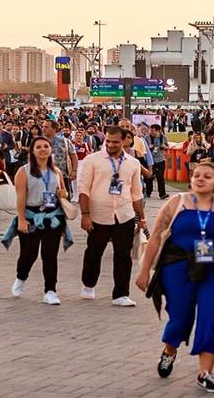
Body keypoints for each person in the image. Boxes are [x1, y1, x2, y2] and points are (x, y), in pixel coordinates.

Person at [135, 163, 214, 393]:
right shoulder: (177, 202)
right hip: (178, 266)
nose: (200, 179)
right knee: (180, 317)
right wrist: (144, 271)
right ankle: (170, 349)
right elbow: (155, 238)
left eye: (207, 176)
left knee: (212, 316)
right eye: (197, 175)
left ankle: (205, 373)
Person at [78, 126, 146, 306]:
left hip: (124, 214)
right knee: (94, 252)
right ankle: (88, 284)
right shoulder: (92, 160)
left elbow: (137, 193)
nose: (110, 144)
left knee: (123, 255)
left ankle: (121, 294)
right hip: (98, 214)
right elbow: (83, 189)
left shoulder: (133, 163)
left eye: (115, 142)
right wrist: (85, 215)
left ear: (125, 141)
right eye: (108, 141)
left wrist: (142, 218)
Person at [9, 137, 70, 305]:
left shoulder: (55, 171)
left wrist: (62, 194)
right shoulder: (24, 171)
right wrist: (21, 219)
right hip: (31, 214)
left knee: (50, 254)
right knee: (29, 253)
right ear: (33, 151)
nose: (43, 149)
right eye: (39, 147)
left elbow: (63, 191)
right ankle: (21, 277)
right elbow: (21, 197)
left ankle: (50, 290)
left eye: (46, 146)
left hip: (52, 216)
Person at [43, 120, 78, 198]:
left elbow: (73, 156)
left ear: (55, 128)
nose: (43, 129)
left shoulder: (65, 141)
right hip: (45, 178)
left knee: (65, 201)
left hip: (63, 177)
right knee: (49, 204)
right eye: (43, 127)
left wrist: (74, 171)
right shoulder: (40, 142)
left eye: (46, 127)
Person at [144, 124, 170, 200]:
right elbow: (144, 148)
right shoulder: (147, 138)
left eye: (152, 130)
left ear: (158, 131)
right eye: (150, 130)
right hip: (150, 160)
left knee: (160, 177)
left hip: (160, 160)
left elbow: (167, 146)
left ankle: (162, 194)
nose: (151, 132)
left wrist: (164, 147)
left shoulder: (163, 137)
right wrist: (149, 147)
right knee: (149, 177)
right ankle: (148, 192)